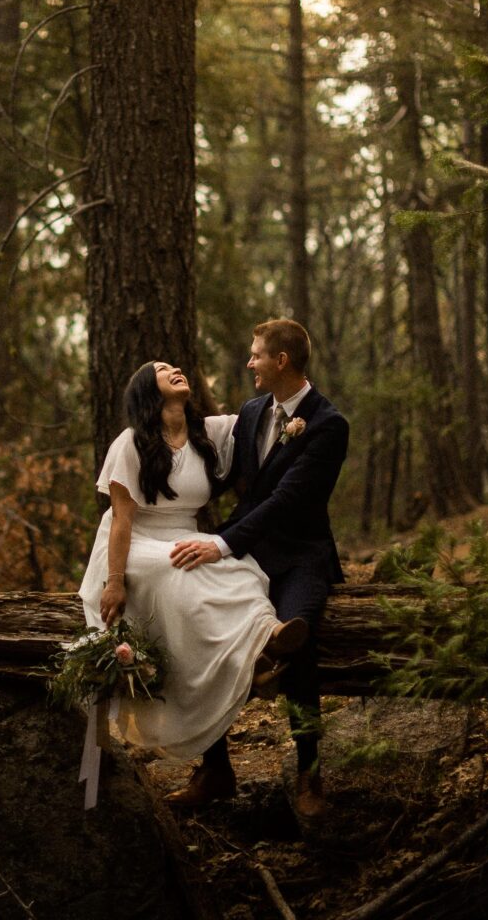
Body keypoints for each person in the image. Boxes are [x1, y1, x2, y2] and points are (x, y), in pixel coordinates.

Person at [78, 360, 307, 764]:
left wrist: (296, 414)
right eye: (163, 369)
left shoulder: (209, 432)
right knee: (179, 568)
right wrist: (114, 581)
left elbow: (264, 418)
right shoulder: (130, 443)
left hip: (186, 535)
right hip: (136, 542)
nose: (176, 369)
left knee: (237, 567)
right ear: (149, 389)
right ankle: (249, 659)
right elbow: (120, 522)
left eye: (177, 365)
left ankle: (267, 640)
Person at [169, 319, 349, 819]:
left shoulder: (329, 424)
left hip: (301, 554)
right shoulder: (250, 414)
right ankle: (215, 767)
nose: (249, 363)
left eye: (256, 355)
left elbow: (289, 501)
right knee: (196, 614)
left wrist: (222, 543)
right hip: (249, 549)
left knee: (299, 634)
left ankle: (309, 770)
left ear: (281, 361)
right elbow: (224, 479)